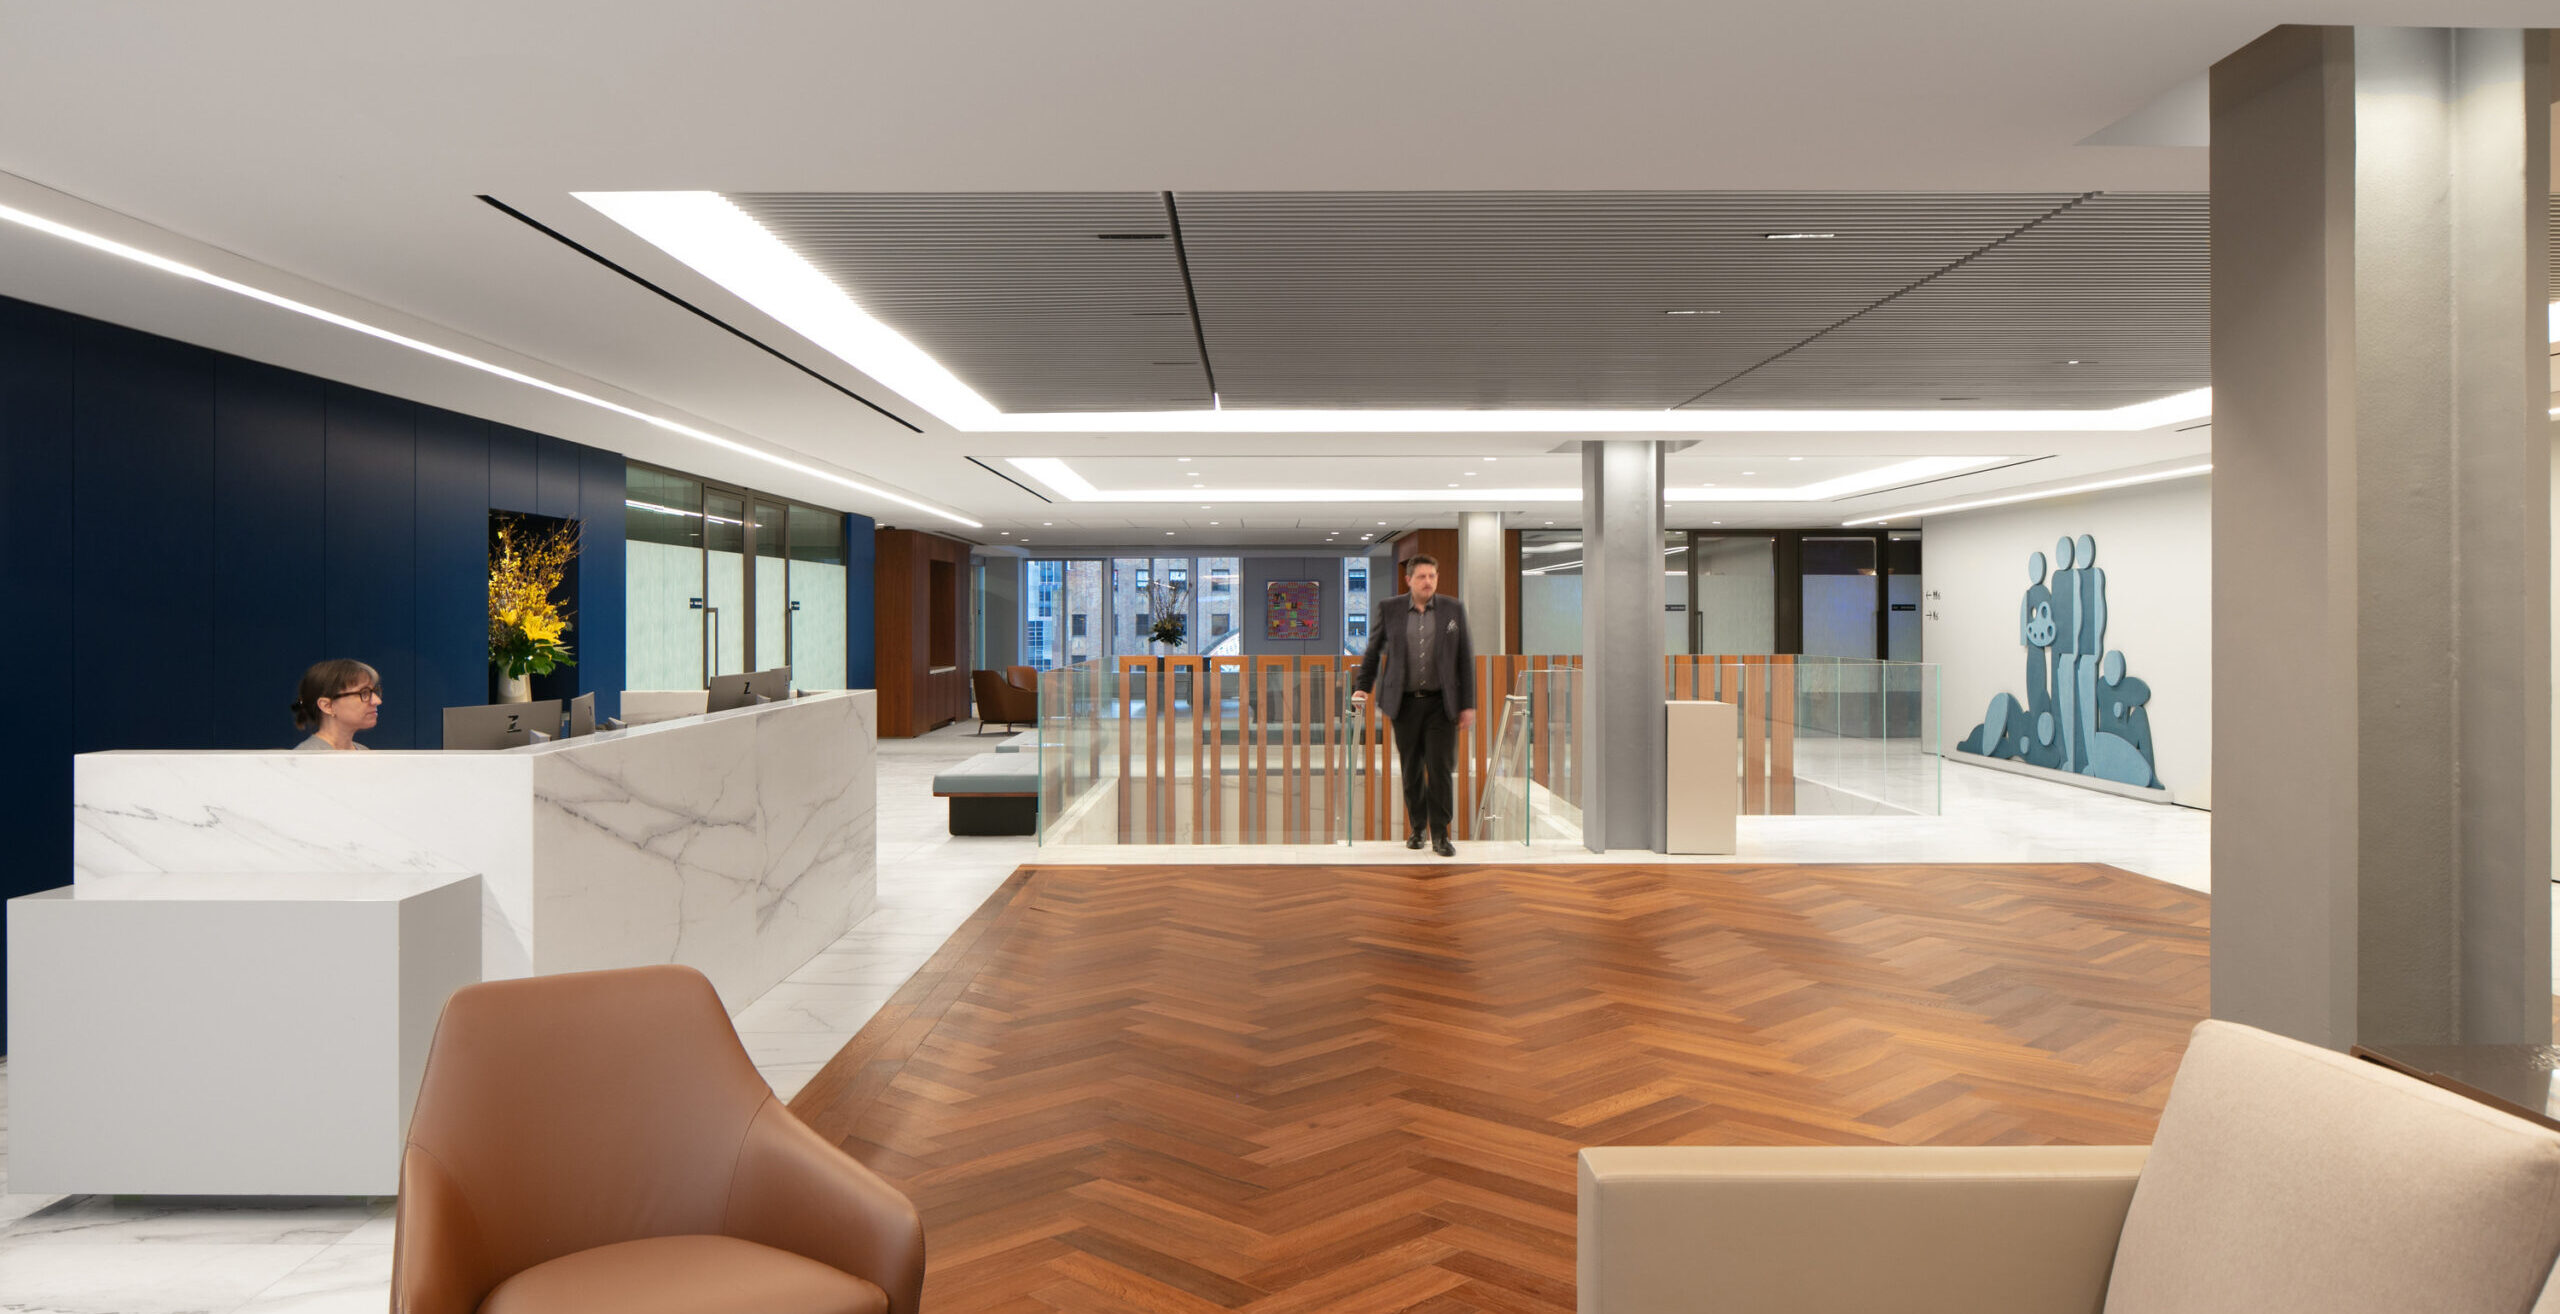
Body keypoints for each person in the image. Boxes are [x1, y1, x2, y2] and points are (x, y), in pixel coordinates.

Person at [1352, 555, 1475, 856]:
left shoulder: (1453, 609)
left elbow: (1464, 659)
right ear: (1409, 580)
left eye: (1432, 576)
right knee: (1411, 770)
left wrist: (1468, 704)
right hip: (1404, 704)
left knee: (1440, 768)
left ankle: (1441, 835)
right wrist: (1362, 687)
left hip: (1440, 704)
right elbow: (1372, 651)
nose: (1428, 582)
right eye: (1421, 576)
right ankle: (1417, 828)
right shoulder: (1390, 609)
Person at [292, 659, 382, 751]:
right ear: (327, 706)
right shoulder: (305, 759)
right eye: (364, 693)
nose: (377, 701)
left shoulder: (364, 752)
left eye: (375, 692)